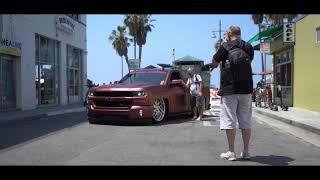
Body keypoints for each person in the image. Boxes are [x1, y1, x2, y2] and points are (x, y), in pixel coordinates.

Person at [210, 25, 254, 161]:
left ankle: (231, 152)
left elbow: (214, 62)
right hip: (246, 88)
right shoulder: (248, 47)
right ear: (240, 33)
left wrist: (224, 44)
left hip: (230, 89)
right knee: (245, 120)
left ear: (229, 34)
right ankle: (246, 152)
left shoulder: (225, 46)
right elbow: (249, 62)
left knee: (230, 120)